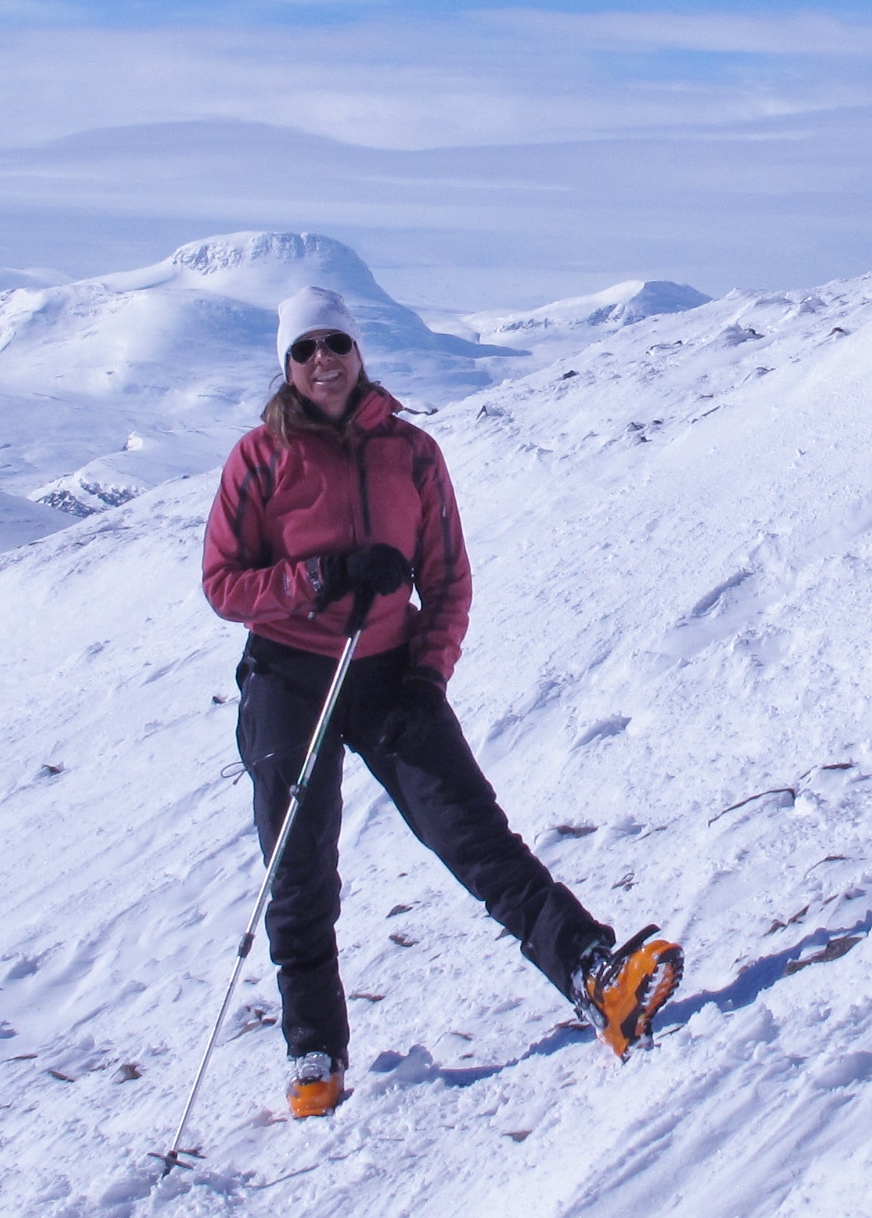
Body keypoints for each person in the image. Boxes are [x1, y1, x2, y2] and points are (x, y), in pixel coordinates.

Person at [200, 285, 680, 1118]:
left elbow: (448, 577)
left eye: (336, 345)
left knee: (473, 835)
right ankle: (315, 1051)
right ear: (286, 365)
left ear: (359, 353)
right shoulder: (258, 457)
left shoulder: (411, 453)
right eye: (306, 349)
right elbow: (222, 583)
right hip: (290, 673)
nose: (324, 361)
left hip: (387, 668)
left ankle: (595, 976)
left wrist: (428, 670)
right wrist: (322, 577)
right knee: (300, 866)